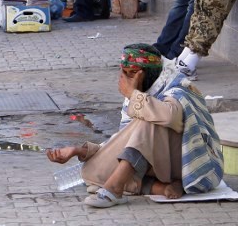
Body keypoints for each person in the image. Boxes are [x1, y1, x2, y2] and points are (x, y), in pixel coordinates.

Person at [47, 44, 223, 208]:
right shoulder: (138, 96)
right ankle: (157, 187)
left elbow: (169, 117)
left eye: (132, 73)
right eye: (123, 73)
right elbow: (127, 139)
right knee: (92, 171)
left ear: (149, 74)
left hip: (189, 164)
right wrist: (80, 151)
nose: (126, 80)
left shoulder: (178, 88)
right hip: (157, 163)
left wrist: (133, 94)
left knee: (150, 118)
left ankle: (115, 187)